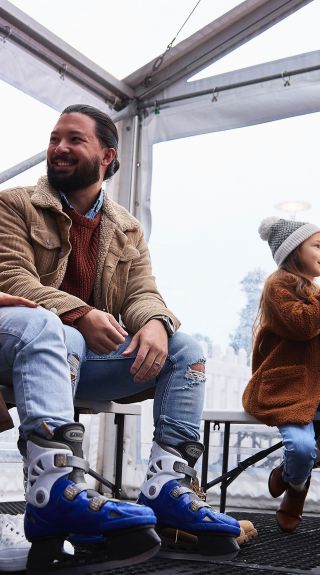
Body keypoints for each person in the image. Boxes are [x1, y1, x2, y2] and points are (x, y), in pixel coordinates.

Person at [0, 104, 243, 571]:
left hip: (81, 361)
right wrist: (81, 312)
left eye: (75, 140)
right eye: (55, 139)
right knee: (61, 331)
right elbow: (11, 278)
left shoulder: (126, 226)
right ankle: (55, 488)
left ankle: (168, 488)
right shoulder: (14, 205)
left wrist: (154, 322)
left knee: (185, 349)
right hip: (24, 348)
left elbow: (143, 292)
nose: (60, 148)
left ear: (108, 156)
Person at [242, 216, 320, 533]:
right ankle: (295, 490)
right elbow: (302, 325)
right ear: (293, 252)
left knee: (309, 451)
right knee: (302, 447)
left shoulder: (313, 290)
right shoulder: (278, 285)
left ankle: (288, 473)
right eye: (317, 245)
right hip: (289, 387)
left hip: (315, 387)